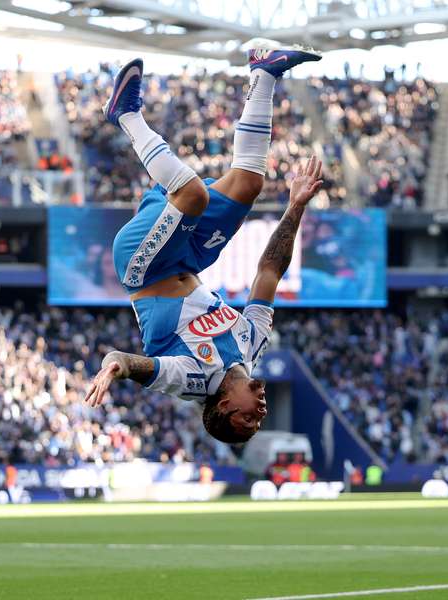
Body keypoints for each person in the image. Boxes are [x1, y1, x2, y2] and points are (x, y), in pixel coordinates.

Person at [82, 47, 324, 445]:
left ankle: (126, 115)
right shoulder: (252, 345)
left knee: (194, 194)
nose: (261, 414)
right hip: (190, 256)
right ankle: (264, 73)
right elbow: (269, 272)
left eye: (248, 420)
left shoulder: (191, 379)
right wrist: (295, 206)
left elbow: (127, 363)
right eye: (259, 422)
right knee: (249, 184)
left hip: (143, 267)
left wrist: (111, 368)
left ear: (225, 406)